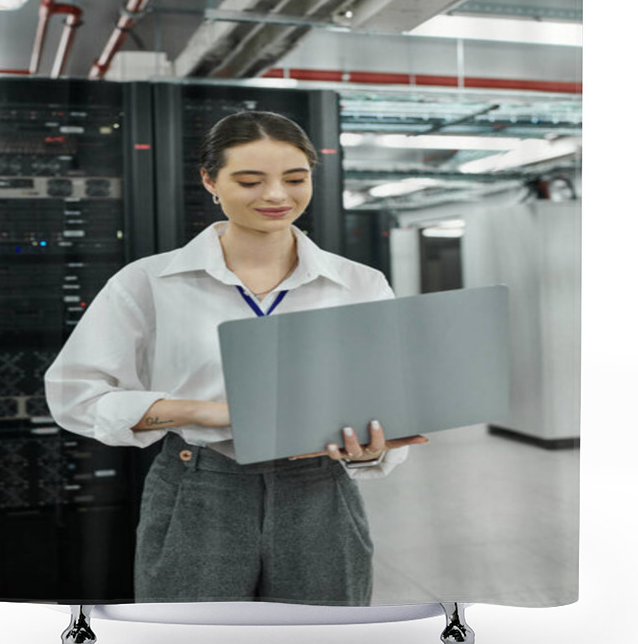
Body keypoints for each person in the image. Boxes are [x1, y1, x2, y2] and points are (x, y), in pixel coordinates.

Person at [45, 110, 428, 607]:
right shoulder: (150, 281)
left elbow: (388, 396)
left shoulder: (360, 284)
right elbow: (78, 393)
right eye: (250, 180)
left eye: (295, 179)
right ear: (210, 181)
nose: (276, 196)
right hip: (198, 485)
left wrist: (372, 447)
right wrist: (201, 411)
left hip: (319, 489)